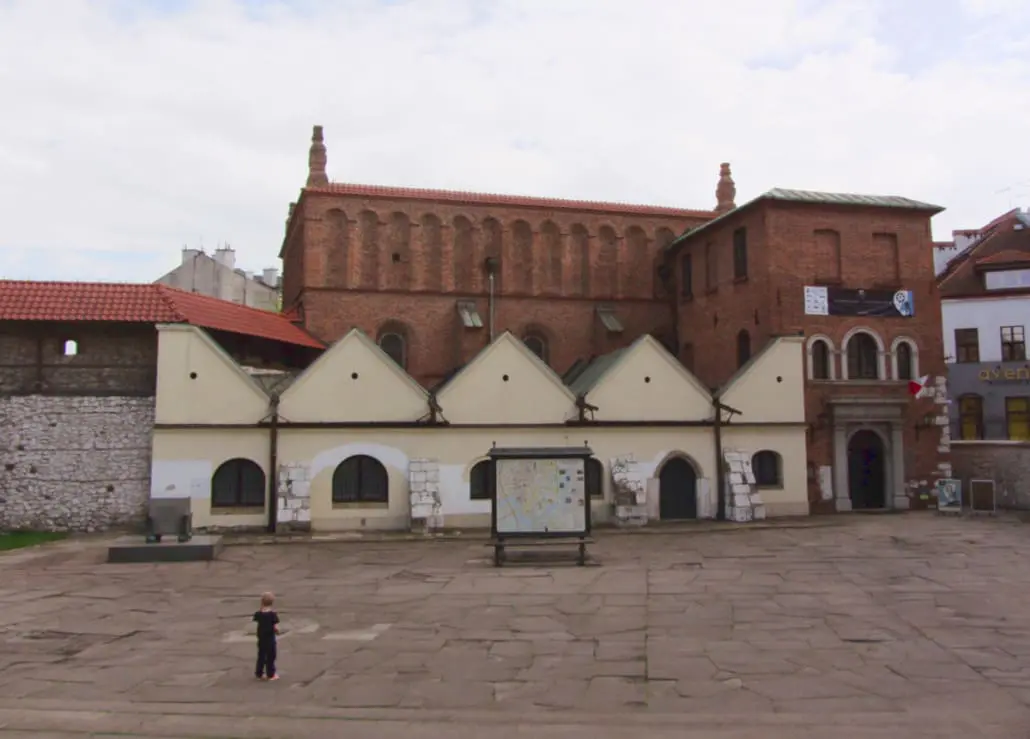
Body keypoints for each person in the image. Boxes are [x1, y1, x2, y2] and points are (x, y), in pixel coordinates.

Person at [253, 592, 280, 681]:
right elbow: (274, 626)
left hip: (261, 638)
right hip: (269, 638)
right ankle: (271, 674)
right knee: (271, 656)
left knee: (261, 655)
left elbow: (256, 618)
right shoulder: (272, 614)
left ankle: (259, 673)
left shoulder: (258, 614)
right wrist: (277, 631)